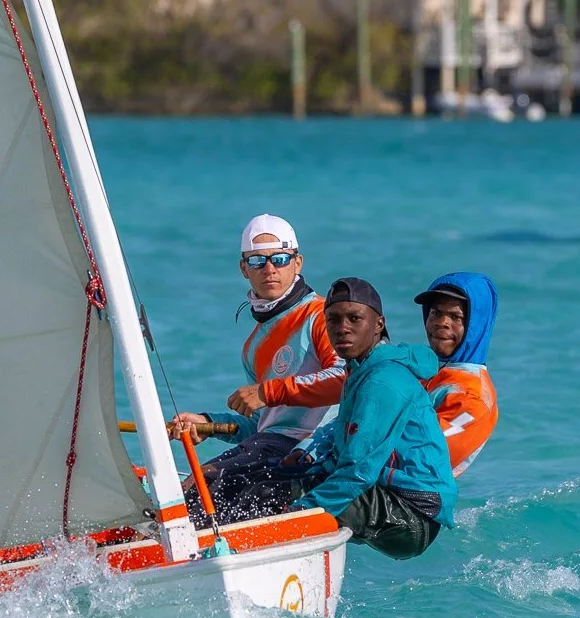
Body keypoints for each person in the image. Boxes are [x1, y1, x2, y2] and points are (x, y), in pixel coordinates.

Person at [169, 214, 344, 514]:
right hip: (268, 445)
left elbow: (344, 378)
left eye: (280, 259)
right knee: (189, 489)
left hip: (313, 448)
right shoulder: (252, 346)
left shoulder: (320, 316)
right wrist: (208, 423)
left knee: (205, 485)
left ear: (297, 263)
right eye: (257, 262)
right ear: (243, 269)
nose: (270, 269)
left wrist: (268, 391)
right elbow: (263, 424)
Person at [286, 278, 456, 560]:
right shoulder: (359, 370)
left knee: (285, 496)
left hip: (414, 517)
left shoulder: (382, 380)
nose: (342, 328)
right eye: (333, 320)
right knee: (273, 480)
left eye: (354, 318)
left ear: (379, 324)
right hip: (388, 494)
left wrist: (296, 516)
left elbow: (358, 472)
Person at [414, 272, 499, 477]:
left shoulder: (474, 397)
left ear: (475, 325)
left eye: (455, 317)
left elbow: (425, 459)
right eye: (435, 313)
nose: (442, 323)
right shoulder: (424, 369)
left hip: (410, 502)